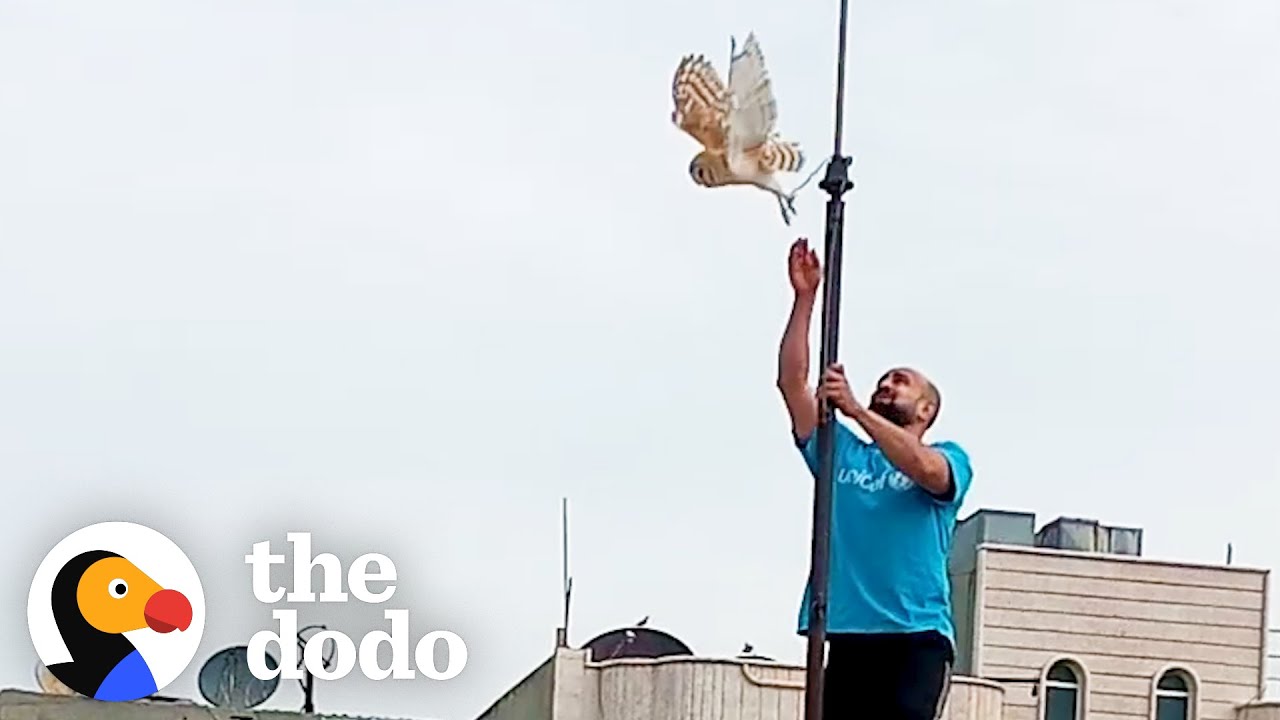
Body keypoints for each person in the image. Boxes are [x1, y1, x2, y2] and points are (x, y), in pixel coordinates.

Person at [776, 237, 974, 720]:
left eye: (900, 381)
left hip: (915, 636)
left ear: (927, 409)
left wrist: (857, 410)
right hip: (848, 631)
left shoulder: (949, 456)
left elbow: (928, 473)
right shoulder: (840, 452)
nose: (887, 384)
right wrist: (805, 301)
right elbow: (791, 382)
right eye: (883, 378)